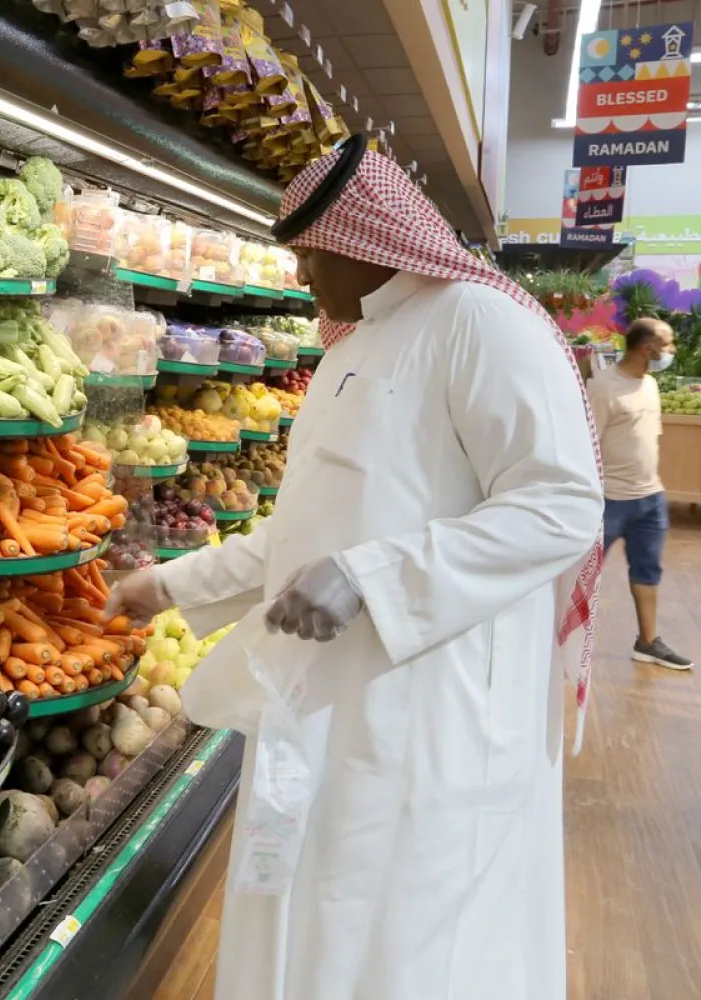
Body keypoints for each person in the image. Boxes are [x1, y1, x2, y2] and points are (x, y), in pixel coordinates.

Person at [105, 136, 604, 1000]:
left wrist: (375, 577)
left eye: (305, 254)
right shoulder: (349, 349)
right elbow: (308, 530)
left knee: (411, 941)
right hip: (322, 706)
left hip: (432, 713)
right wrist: (172, 586)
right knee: (314, 921)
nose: (300, 278)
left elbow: (561, 505)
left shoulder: (479, 324)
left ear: (357, 239)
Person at [588, 317, 690, 669]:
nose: (672, 350)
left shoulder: (650, 384)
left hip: (650, 499)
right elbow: (588, 446)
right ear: (648, 348)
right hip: (608, 501)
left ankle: (647, 642)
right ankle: (561, 645)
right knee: (581, 574)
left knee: (648, 571)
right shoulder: (603, 387)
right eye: (669, 343)